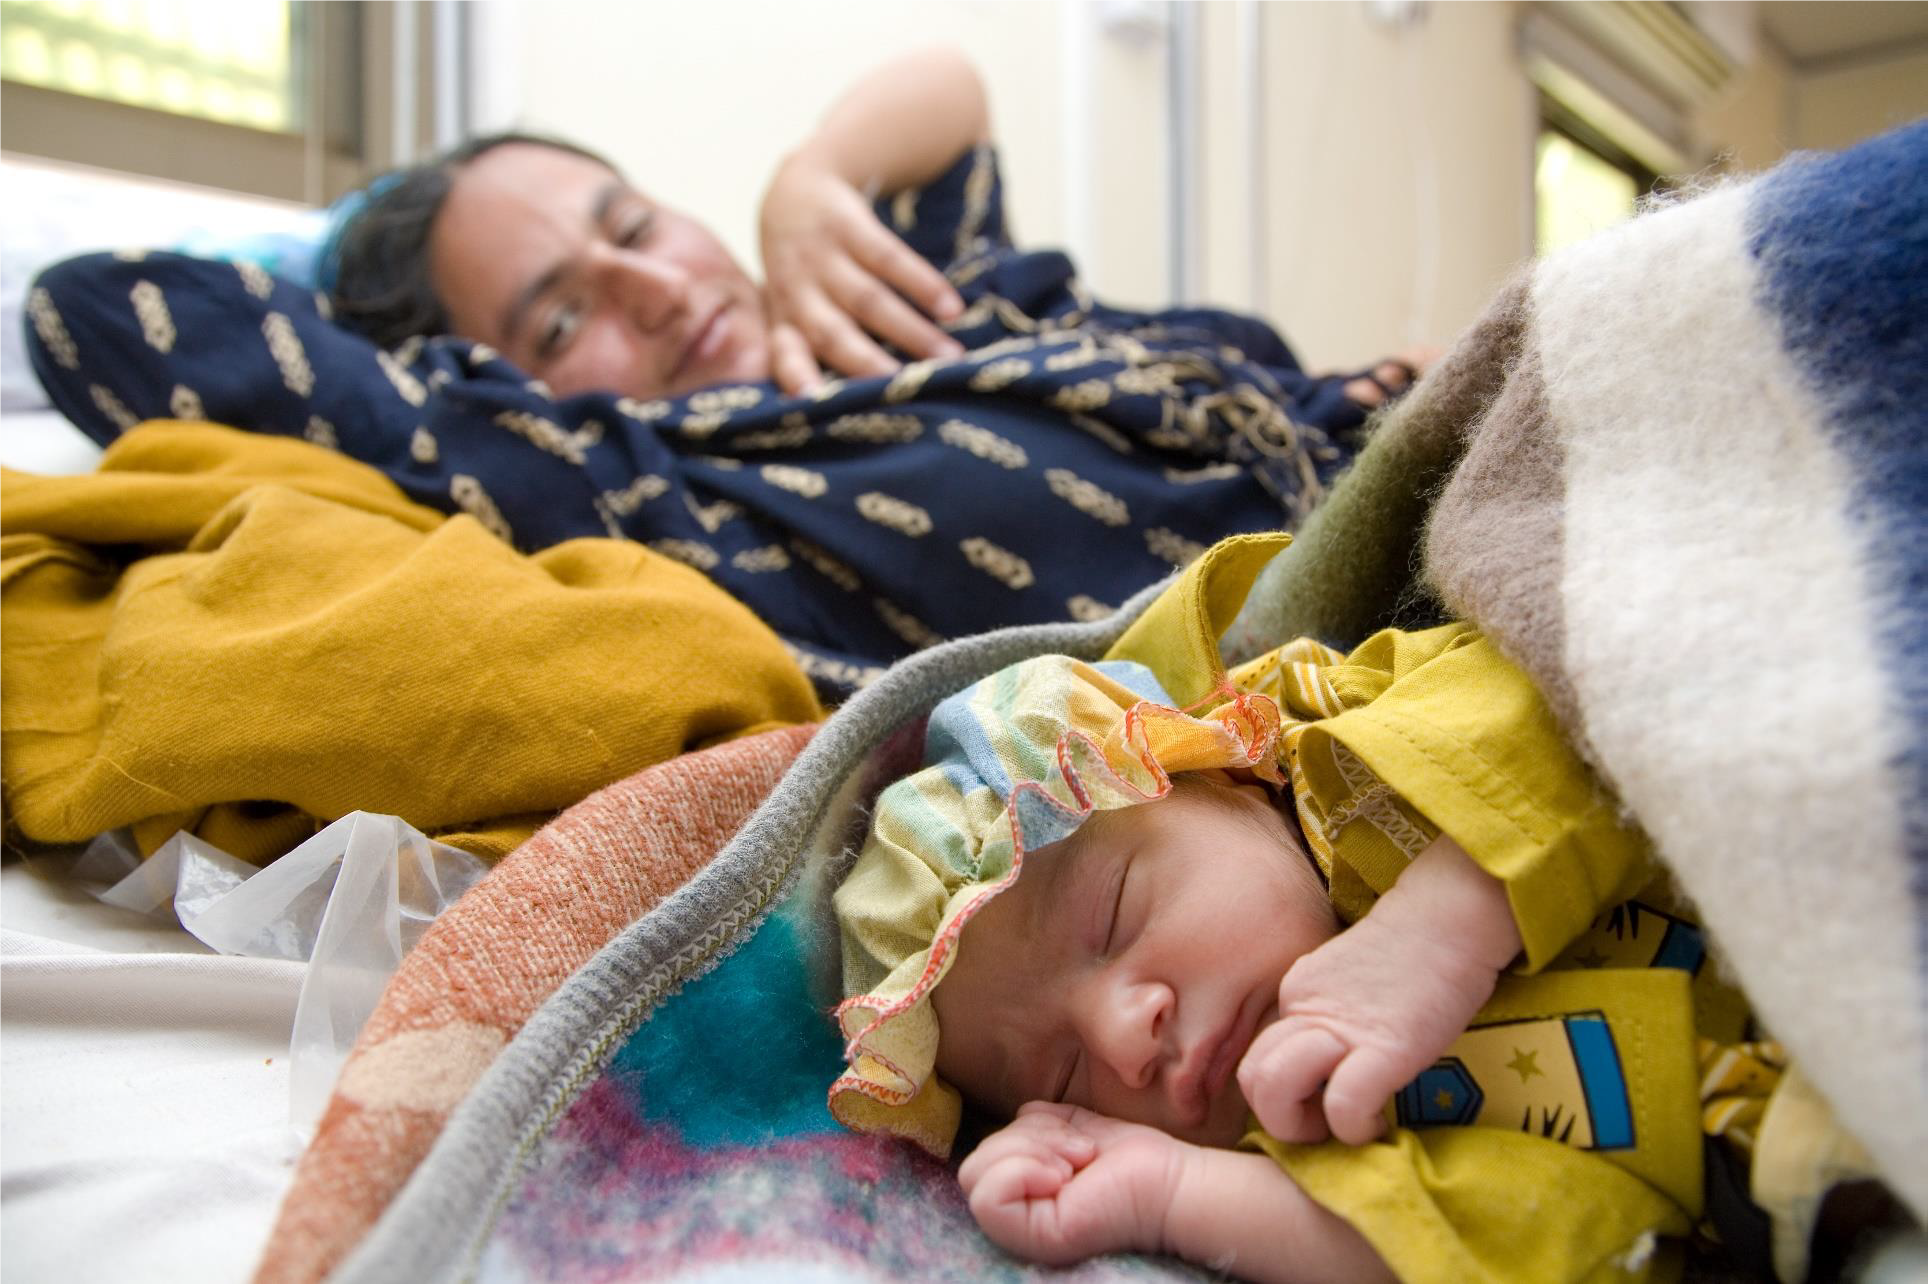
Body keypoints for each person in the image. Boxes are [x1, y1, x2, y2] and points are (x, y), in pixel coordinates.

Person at [25, 48, 1429, 692]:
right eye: (563, 321)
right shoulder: (647, 493)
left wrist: (811, 173)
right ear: (499, 390)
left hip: (1399, 422)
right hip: (1374, 591)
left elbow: (946, 98)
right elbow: (98, 313)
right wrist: (329, 253)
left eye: (632, 225)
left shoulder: (870, 296)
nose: (653, 284)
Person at [829, 625, 1887, 1282]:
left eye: (1111, 912)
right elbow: (1551, 1242)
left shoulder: (1355, 751)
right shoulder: (1313, 1139)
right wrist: (1172, 1195)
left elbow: (1597, 677)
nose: (1122, 1035)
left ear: (1228, 776)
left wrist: (1442, 921)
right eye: (1059, 1075)